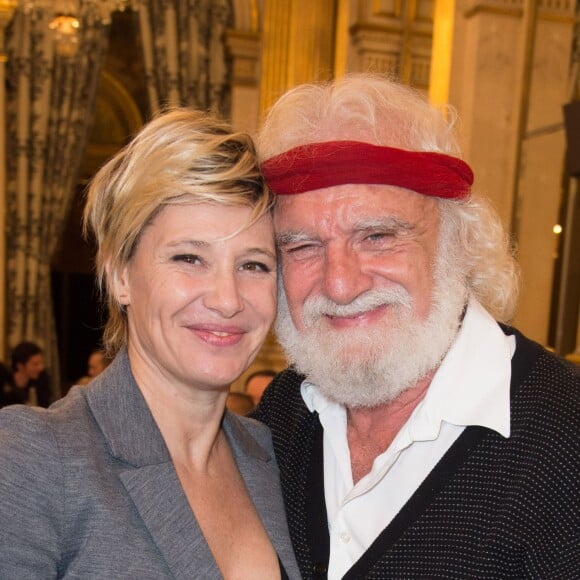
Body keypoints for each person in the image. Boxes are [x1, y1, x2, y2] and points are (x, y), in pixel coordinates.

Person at [251, 74, 579, 579]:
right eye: (302, 246)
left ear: (457, 240)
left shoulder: (565, 442)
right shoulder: (281, 417)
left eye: (378, 236)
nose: (340, 284)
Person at [0, 109, 300, 579]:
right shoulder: (36, 456)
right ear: (121, 274)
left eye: (254, 265)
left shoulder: (273, 455)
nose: (227, 299)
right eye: (189, 257)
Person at [0, 341, 49, 408]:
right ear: (20, 366)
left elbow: (44, 407)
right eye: (35, 364)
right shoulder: (3, 379)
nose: (41, 368)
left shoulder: (41, 380)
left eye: (41, 363)